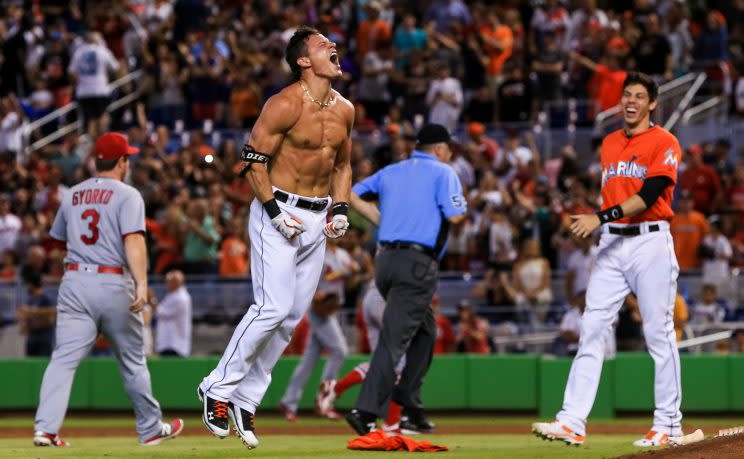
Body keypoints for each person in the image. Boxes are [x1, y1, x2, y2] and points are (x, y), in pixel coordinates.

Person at [198, 27, 354, 450]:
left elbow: (342, 165)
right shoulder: (283, 103)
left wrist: (339, 209)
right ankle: (216, 386)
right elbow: (252, 161)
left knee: (289, 320)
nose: (332, 48)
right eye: (323, 45)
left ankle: (246, 399)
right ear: (304, 61)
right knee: (272, 307)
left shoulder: (345, 109)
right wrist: (273, 212)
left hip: (318, 219)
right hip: (276, 210)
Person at [532, 72, 684, 447]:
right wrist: (602, 224)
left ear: (652, 104)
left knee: (657, 332)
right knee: (592, 327)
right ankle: (572, 420)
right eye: (626, 95)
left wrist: (598, 218)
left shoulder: (665, 141)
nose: (630, 101)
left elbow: (649, 196)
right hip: (613, 245)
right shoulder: (611, 142)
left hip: (650, 242)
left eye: (638, 96)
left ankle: (668, 423)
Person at [33, 133, 183, 447]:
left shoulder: (72, 194)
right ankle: (150, 428)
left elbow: (58, 243)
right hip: (114, 281)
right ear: (122, 162)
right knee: (132, 361)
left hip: (75, 282)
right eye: (127, 157)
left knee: (62, 359)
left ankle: (45, 429)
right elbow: (134, 240)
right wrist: (142, 284)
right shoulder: (128, 195)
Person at [345, 123, 466, 436]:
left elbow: (351, 193)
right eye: (449, 148)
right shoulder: (444, 172)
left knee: (426, 332)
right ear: (439, 149)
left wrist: (384, 222)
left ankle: (409, 404)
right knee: (393, 341)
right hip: (416, 265)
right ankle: (365, 410)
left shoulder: (391, 171)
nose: (450, 153)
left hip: (385, 263)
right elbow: (455, 216)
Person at [278, 238, 355, 421]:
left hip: (334, 307)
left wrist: (354, 273)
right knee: (340, 351)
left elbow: (348, 283)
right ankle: (324, 399)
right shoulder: (317, 252)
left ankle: (289, 402)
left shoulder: (343, 255)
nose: (337, 233)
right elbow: (302, 277)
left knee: (309, 360)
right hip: (319, 310)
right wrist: (312, 295)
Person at [67, 32, 120, 138]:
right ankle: (103, 141)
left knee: (90, 120)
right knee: (102, 116)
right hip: (100, 89)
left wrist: (81, 81)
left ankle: (92, 146)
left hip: (84, 92)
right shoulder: (102, 50)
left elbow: (71, 72)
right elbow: (115, 67)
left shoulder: (79, 52)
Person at [154, 270, 192, 357]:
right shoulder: (172, 295)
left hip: (174, 344)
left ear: (176, 283)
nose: (166, 284)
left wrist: (152, 300)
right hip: (168, 342)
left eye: (169, 282)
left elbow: (161, 312)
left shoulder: (181, 298)